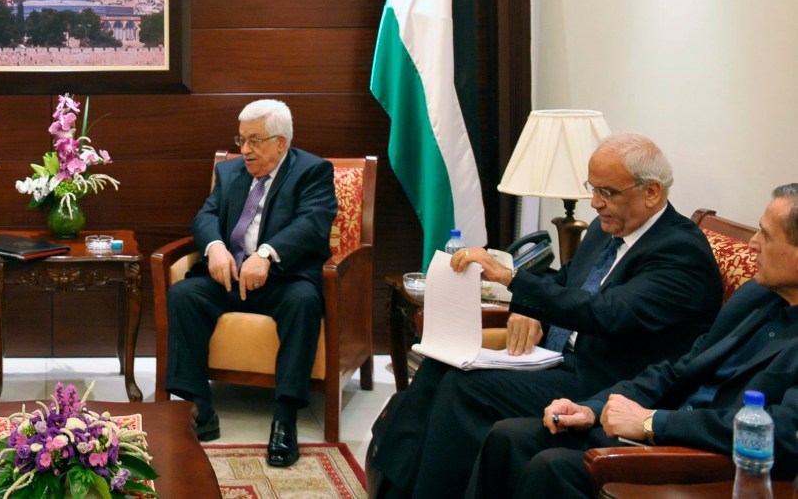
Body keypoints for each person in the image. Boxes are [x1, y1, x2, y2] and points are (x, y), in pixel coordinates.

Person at [367, 132, 725, 498]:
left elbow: (607, 313)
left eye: (607, 192)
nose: (595, 203)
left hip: (608, 381)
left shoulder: (680, 253)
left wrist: (512, 280)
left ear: (651, 192)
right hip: (557, 359)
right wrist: (532, 312)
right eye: (593, 189)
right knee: (439, 368)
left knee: (466, 389)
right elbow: (566, 280)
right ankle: (392, 489)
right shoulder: (609, 228)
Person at [470, 184, 798, 498]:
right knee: (509, 438)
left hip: (713, 459)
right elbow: (679, 368)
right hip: (662, 426)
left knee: (553, 467)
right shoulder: (757, 295)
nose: (753, 244)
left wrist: (652, 421)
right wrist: (593, 408)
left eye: (766, 235)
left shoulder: (681, 251)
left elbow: (782, 432)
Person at [162, 99, 338, 467]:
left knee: (304, 302)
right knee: (183, 295)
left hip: (283, 279)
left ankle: (285, 420)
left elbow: (312, 224)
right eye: (241, 139)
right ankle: (200, 410)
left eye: (255, 140)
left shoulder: (312, 171)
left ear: (281, 142)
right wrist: (214, 247)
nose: (245, 149)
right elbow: (205, 217)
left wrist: (267, 254)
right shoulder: (229, 173)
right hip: (230, 277)